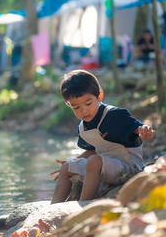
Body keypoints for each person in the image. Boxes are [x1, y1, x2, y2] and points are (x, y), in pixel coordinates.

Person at [50, 70, 155, 204]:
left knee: (94, 161)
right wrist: (72, 163)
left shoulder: (115, 115)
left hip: (127, 167)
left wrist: (145, 132)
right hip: (103, 167)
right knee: (67, 166)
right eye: (76, 107)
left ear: (99, 96)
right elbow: (92, 151)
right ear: (68, 105)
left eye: (88, 103)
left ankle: (83, 205)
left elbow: (139, 129)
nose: (84, 111)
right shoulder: (82, 128)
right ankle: (53, 208)